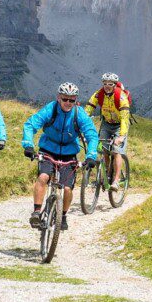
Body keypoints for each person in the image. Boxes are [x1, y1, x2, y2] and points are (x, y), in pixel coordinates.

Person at [21, 82, 99, 231]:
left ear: (76, 100)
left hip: (69, 153)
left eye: (72, 100)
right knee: (43, 177)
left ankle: (62, 215)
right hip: (48, 150)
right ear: (58, 98)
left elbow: (91, 135)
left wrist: (91, 156)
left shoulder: (79, 114)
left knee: (68, 189)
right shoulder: (51, 109)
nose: (68, 103)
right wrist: (28, 145)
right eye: (65, 99)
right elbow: (31, 124)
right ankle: (37, 212)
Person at [84, 72, 130, 190]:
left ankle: (116, 180)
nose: (107, 86)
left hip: (119, 125)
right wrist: (81, 123)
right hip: (106, 123)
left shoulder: (121, 96)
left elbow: (125, 118)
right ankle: (107, 173)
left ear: (115, 85)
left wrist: (121, 136)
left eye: (110, 84)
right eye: (105, 84)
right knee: (104, 150)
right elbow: (88, 109)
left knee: (116, 151)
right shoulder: (99, 94)